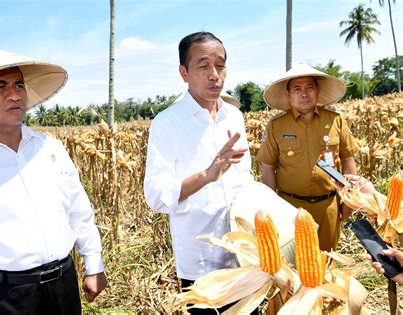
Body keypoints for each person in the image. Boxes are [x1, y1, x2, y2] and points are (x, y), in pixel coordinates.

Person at [0, 45, 107, 314]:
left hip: (63, 288)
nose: (14, 95)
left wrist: (94, 264)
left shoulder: (52, 149)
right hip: (2, 298)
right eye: (0, 86)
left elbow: (79, 211)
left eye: (19, 85)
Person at [143, 31, 256, 314]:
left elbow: (246, 178)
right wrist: (207, 175)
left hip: (244, 255)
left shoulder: (235, 117)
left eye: (220, 65)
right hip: (201, 261)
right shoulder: (166, 123)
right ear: (184, 72)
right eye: (203, 66)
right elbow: (156, 195)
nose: (214, 75)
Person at [256, 64, 360, 252]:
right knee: (295, 267)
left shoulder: (336, 120)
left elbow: (347, 160)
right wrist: (271, 209)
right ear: (288, 94)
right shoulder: (276, 126)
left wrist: (349, 202)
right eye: (297, 89)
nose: (304, 93)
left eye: (309, 87)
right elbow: (268, 168)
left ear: (317, 91)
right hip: (290, 208)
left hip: (328, 206)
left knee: (327, 264)